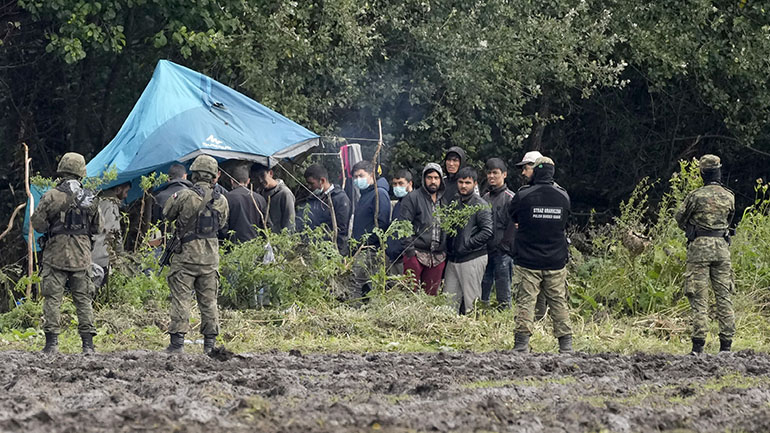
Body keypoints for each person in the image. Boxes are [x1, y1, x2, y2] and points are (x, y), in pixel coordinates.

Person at [31, 152, 103, 354]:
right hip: (81, 256)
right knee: (83, 300)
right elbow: (98, 227)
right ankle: (88, 346)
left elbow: (37, 223)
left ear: (62, 170)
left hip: (56, 255)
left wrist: (51, 227)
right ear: (81, 173)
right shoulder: (91, 197)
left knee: (52, 299)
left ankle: (51, 344)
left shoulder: (51, 195)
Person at [162, 155, 229, 354]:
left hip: (186, 257)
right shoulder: (222, 200)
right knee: (209, 301)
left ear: (194, 172)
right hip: (210, 258)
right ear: (213, 175)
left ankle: (177, 344)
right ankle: (210, 345)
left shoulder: (184, 195)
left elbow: (167, 214)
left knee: (181, 299)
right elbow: (223, 224)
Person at [510, 157, 573, 353]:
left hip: (528, 259)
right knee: (558, 301)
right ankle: (566, 346)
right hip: (555, 260)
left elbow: (512, 215)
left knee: (526, 301)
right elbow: (566, 223)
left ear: (535, 171)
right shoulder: (563, 196)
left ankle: (521, 345)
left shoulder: (524, 195)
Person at [674, 154, 735, 354]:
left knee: (699, 298)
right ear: (719, 171)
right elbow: (730, 219)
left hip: (699, 248)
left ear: (702, 173)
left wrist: (692, 227)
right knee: (724, 296)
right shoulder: (729, 196)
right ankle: (726, 345)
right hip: (722, 248)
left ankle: (698, 345)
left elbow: (680, 217)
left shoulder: (696, 196)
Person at [444, 167, 493, 315]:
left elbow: (487, 231)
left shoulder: (480, 204)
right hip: (454, 258)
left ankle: (475, 334)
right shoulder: (455, 202)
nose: (463, 186)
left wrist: (468, 244)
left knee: (472, 304)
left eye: (467, 182)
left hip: (473, 257)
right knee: (448, 302)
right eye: (460, 182)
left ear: (475, 184)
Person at [398, 163, 446, 295]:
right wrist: (410, 252)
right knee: (409, 293)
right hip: (416, 253)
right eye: (429, 177)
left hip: (437, 256)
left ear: (441, 180)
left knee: (430, 295)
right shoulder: (413, 198)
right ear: (424, 179)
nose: (433, 181)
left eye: (436, 178)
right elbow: (404, 225)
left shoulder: (445, 201)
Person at [349, 160, 391, 300]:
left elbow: (382, 223)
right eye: (355, 177)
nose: (357, 180)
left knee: (356, 283)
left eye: (360, 175)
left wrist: (367, 243)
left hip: (369, 249)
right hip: (360, 248)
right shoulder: (366, 194)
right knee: (361, 284)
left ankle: (356, 312)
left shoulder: (379, 194)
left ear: (372, 174)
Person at [514, 149, 548, 320]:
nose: (523, 172)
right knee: (528, 293)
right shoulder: (526, 191)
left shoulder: (529, 192)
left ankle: (539, 322)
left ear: (535, 168)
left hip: (541, 251)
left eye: (526, 167)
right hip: (534, 251)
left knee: (541, 293)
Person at [481, 158, 515, 310]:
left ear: (504, 174)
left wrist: (504, 247)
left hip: (503, 253)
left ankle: (504, 319)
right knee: (483, 286)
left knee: (503, 289)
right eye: (489, 173)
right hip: (484, 251)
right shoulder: (484, 198)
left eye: (495, 173)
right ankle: (482, 314)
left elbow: (514, 226)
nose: (492, 176)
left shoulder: (511, 198)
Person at [303, 164, 352, 255]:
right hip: (316, 250)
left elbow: (342, 231)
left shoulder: (340, 199)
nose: (309, 187)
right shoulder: (315, 197)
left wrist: (337, 254)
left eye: (311, 183)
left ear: (322, 180)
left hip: (333, 251)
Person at [91, 182, 131, 287]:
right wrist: (120, 253)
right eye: (126, 191)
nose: (126, 196)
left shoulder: (96, 201)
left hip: (88, 252)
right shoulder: (110, 205)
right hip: (102, 255)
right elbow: (114, 232)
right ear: (118, 189)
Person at [225, 164, 266, 243]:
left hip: (232, 246)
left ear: (232, 181)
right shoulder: (260, 199)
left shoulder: (226, 198)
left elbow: (222, 224)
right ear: (248, 181)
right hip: (255, 246)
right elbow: (266, 225)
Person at [252, 162, 296, 232]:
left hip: (279, 239)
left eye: (262, 175)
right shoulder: (259, 193)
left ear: (270, 173)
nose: (260, 180)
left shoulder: (285, 193)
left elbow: (290, 222)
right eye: (257, 177)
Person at [386, 169, 413, 275]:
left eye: (401, 183)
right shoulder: (398, 205)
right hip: (393, 257)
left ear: (409, 183)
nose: (397, 187)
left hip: (404, 258)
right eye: (395, 184)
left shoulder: (413, 203)